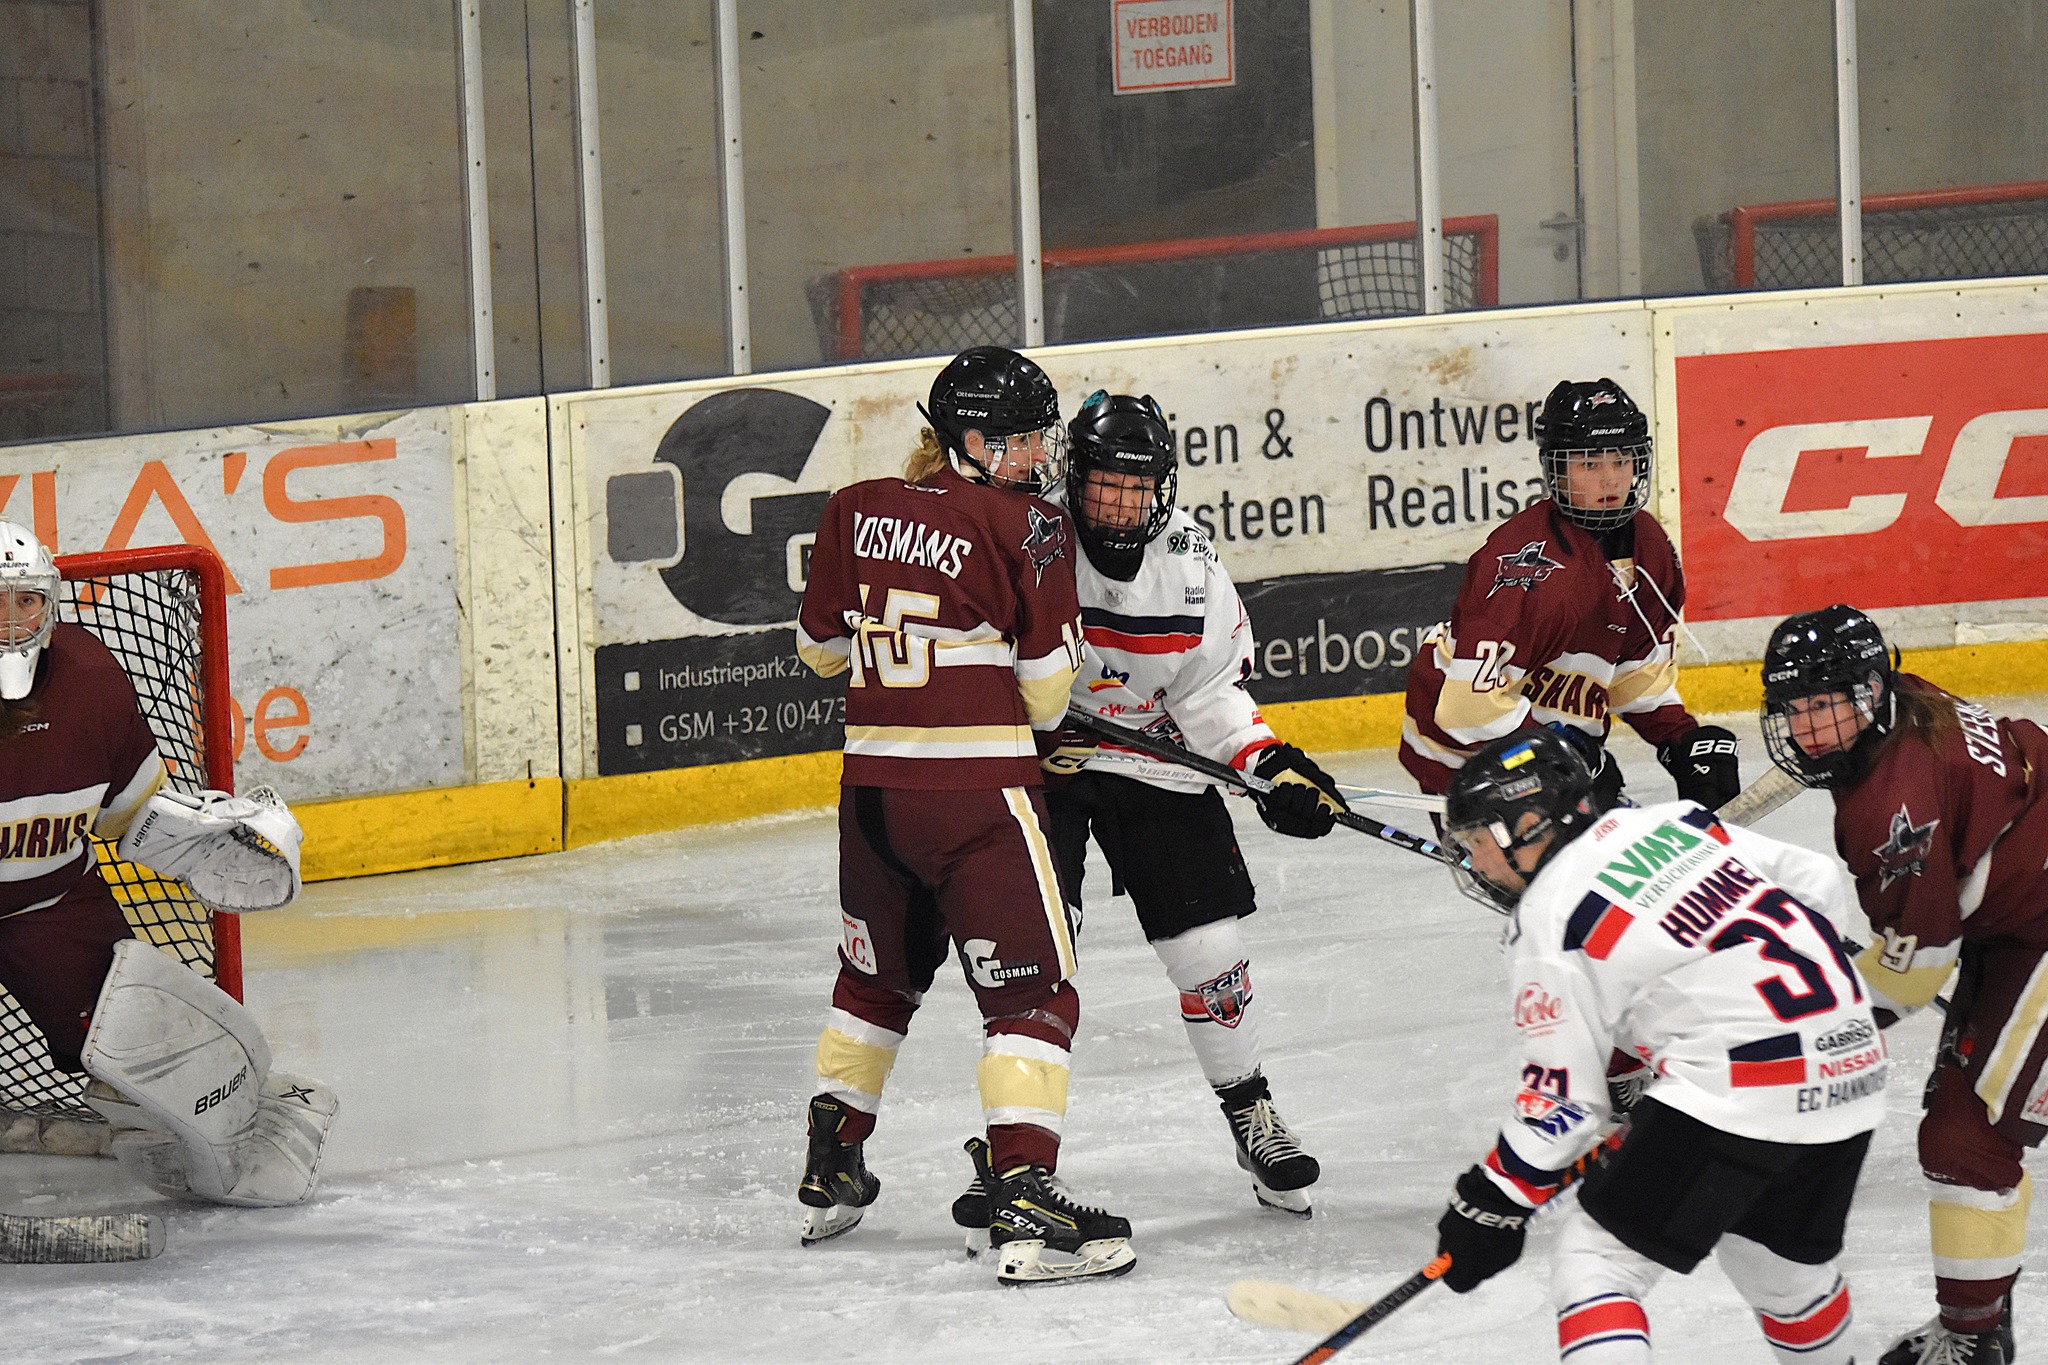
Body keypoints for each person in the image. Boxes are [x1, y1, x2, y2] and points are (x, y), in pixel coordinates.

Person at [948, 389, 1343, 1227]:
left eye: (1139, 486)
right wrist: (1028, 725)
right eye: (1105, 485)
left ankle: (1251, 1113)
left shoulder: (1190, 563)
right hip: (1043, 766)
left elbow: (1213, 692)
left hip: (1153, 764)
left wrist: (1268, 764)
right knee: (1034, 960)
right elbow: (974, 652)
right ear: (1075, 478)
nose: (1122, 504)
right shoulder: (1031, 536)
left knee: (1212, 948)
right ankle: (1014, 1159)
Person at [791, 347, 1134, 1285]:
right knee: (1034, 997)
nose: (1036, 455)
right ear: (973, 440)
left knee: (874, 981)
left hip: (871, 798)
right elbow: (1048, 693)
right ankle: (1024, 1192)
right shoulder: (1030, 527)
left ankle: (833, 1161)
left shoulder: (854, 507)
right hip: (975, 800)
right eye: (1021, 438)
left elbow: (821, 653)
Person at [1430, 728, 1884, 1365]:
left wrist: (1492, 1202)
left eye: (1478, 842)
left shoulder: (1550, 915)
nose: (1475, 863)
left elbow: (1561, 1101)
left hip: (1742, 1093)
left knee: (1597, 1266)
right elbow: (1812, 877)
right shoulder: (1677, 823)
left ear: (1529, 823)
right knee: (1779, 1270)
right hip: (1852, 1064)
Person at [0, 521, 335, 1209]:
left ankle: (248, 1117)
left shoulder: (89, 680)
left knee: (146, 1060)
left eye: (25, 600)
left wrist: (199, 835)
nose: (10, 621)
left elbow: (130, 812)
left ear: (50, 602)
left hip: (51, 907)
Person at [1760, 604, 2048, 1364]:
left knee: (1968, 1138)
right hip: (2019, 916)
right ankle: (1979, 1324)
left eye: (1826, 704)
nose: (1810, 727)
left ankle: (1976, 1340)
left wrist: (1812, 1019)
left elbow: (1916, 972)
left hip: (2039, 926)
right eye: (1795, 707)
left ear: (1867, 692)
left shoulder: (1891, 804)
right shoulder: (1908, 701)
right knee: (1964, 1119)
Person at [1400, 378, 1742, 813]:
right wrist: (1561, 754)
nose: (1611, 479)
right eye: (1589, 464)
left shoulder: (1649, 547)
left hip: (1554, 743)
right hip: (1466, 757)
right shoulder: (1528, 567)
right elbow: (1468, 707)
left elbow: (1634, 671)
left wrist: (1680, 737)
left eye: (1622, 460)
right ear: (1556, 470)